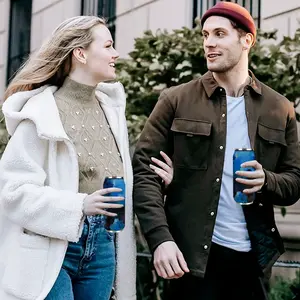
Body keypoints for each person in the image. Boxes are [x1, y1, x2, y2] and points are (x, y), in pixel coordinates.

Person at [132, 2, 300, 300]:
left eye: (220, 34)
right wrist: (160, 240)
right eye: (206, 35)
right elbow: (144, 172)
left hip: (253, 262)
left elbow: (295, 182)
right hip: (192, 261)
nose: (209, 42)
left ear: (246, 40)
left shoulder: (279, 108)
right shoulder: (175, 100)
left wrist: (266, 181)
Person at [0, 16, 170, 300]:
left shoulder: (111, 111)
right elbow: (12, 192)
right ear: (80, 54)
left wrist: (160, 184)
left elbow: (116, 181)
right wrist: (79, 205)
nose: (116, 54)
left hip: (104, 244)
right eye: (108, 45)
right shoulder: (40, 113)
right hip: (51, 247)